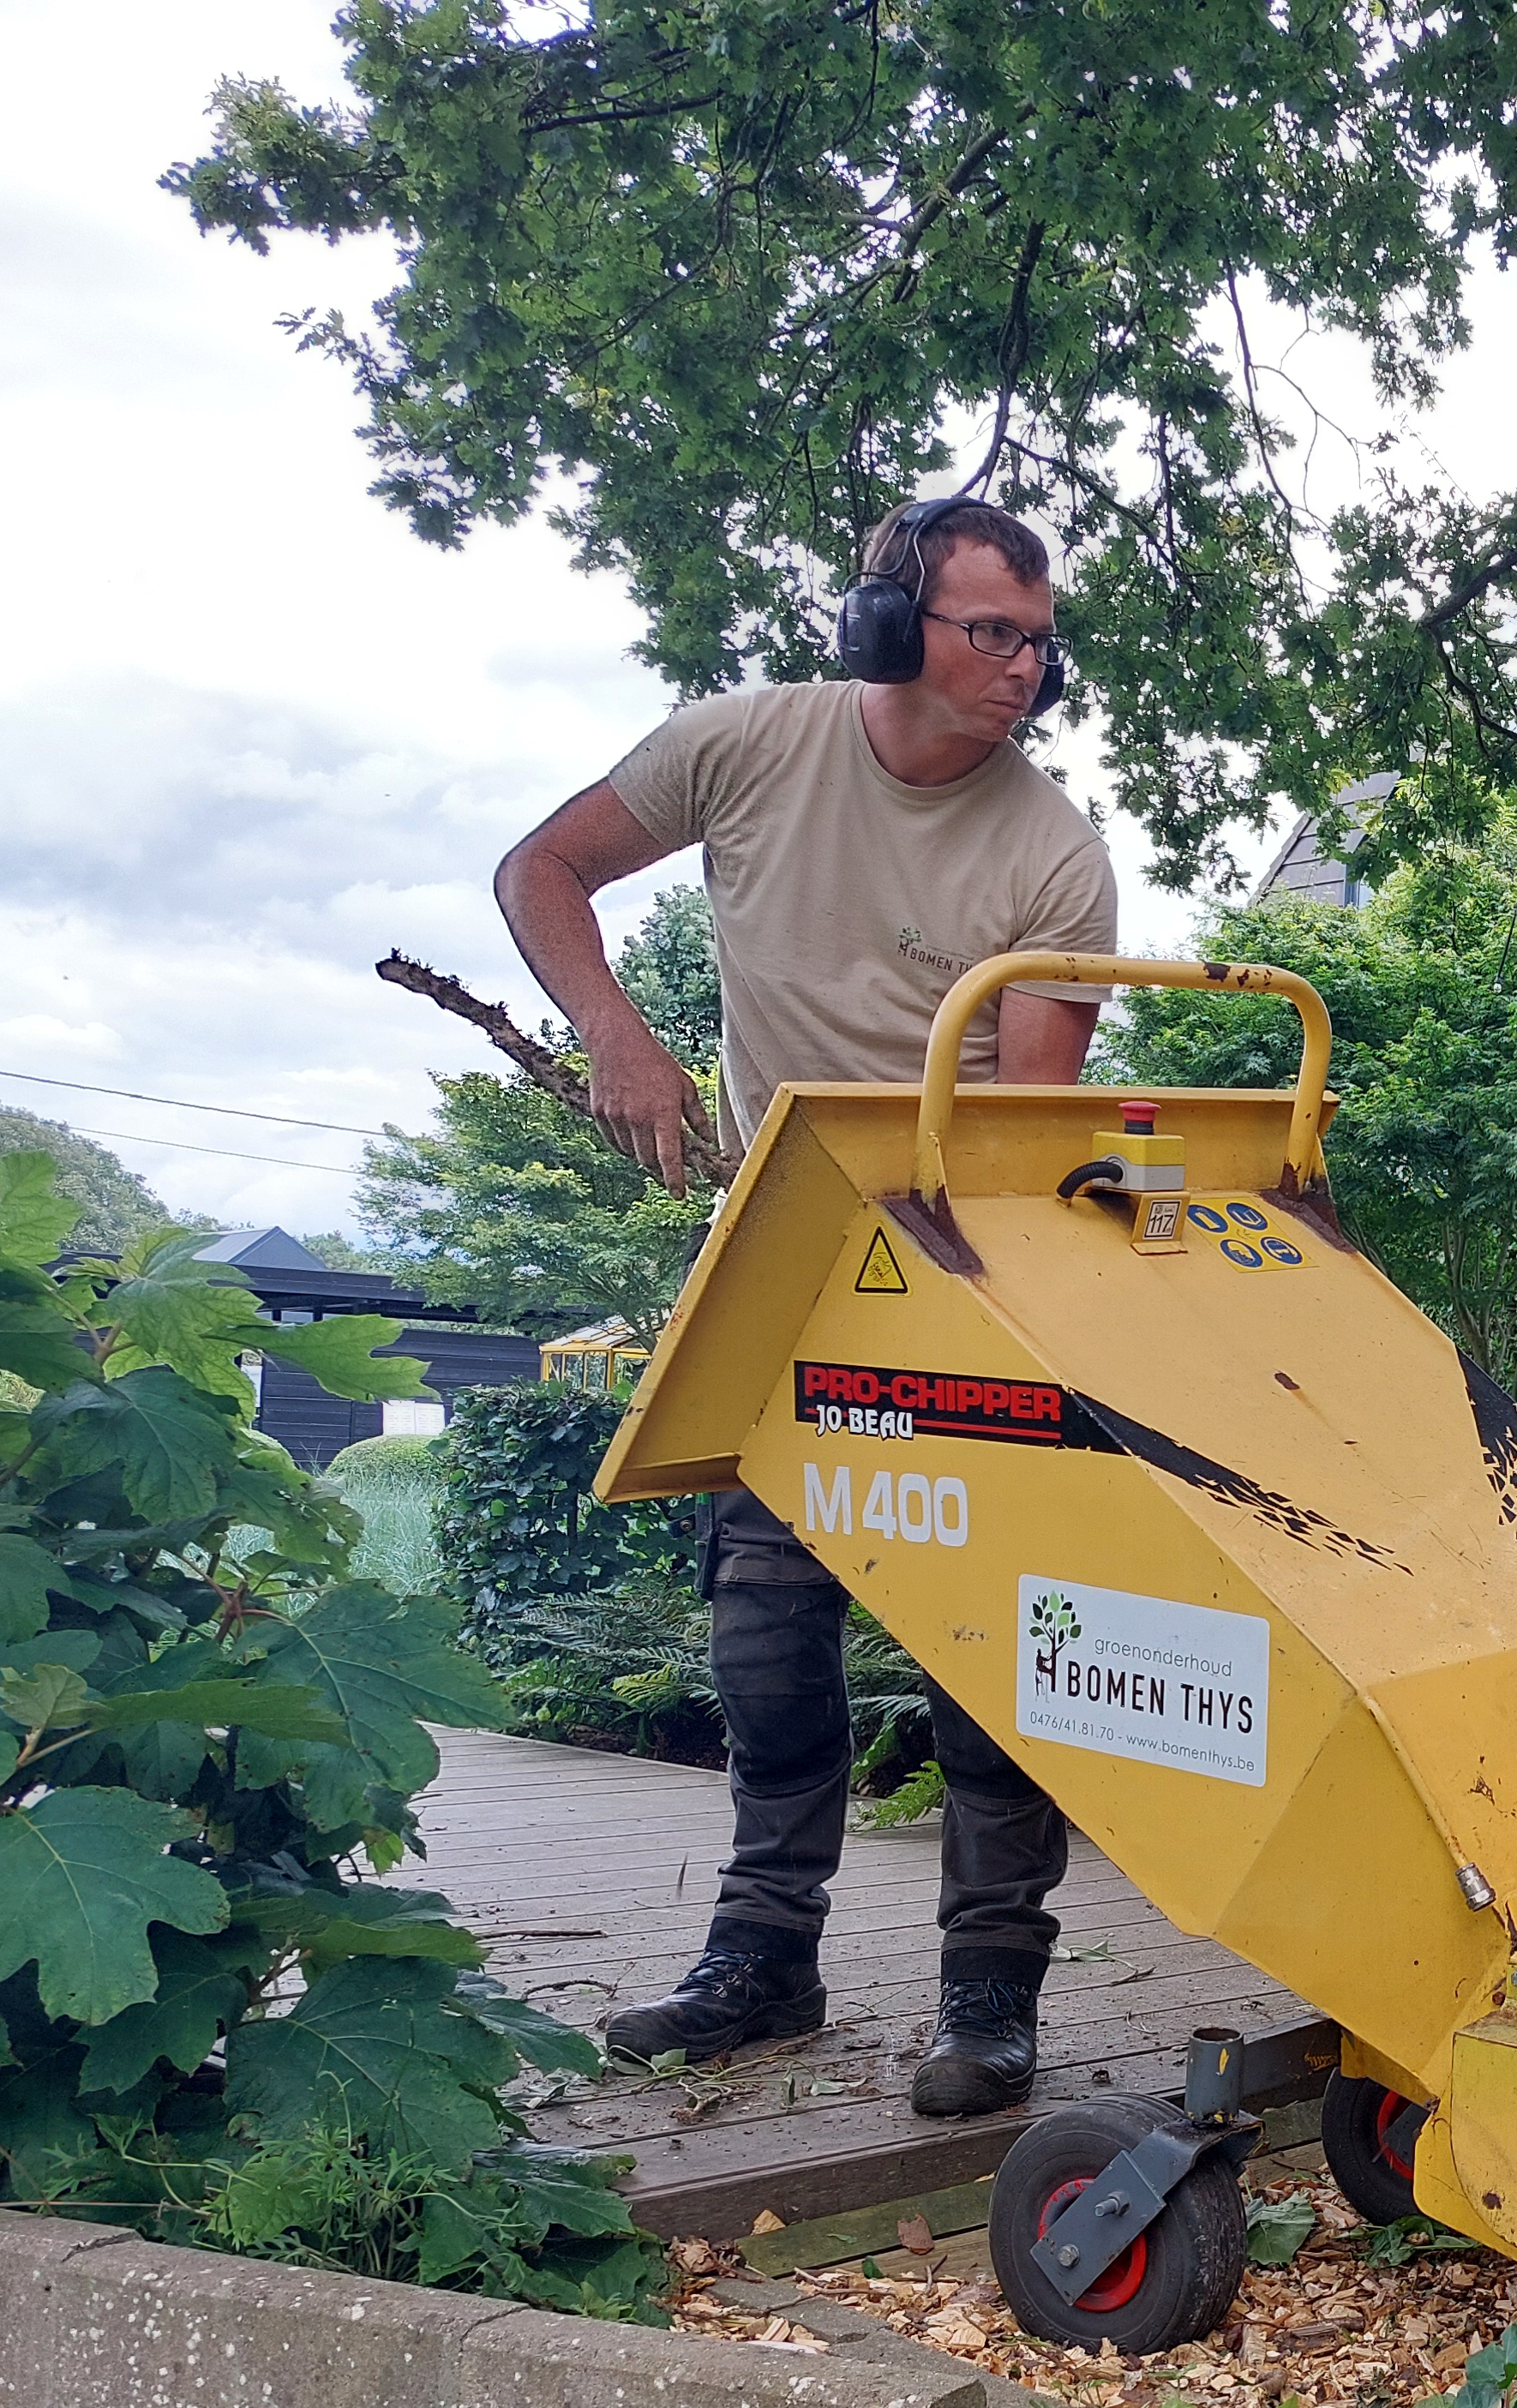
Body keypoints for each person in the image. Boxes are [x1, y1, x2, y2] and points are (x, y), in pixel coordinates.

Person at [493, 494, 1118, 2116]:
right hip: (778, 1276)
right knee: (767, 1636)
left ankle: (991, 1993)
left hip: (965, 1286)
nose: (1028, 672)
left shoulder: (1055, 850)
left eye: (1045, 644)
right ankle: (761, 1966)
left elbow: (1028, 1140)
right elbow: (543, 866)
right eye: (996, 634)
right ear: (888, 622)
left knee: (988, 1658)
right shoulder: (746, 747)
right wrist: (616, 1036)